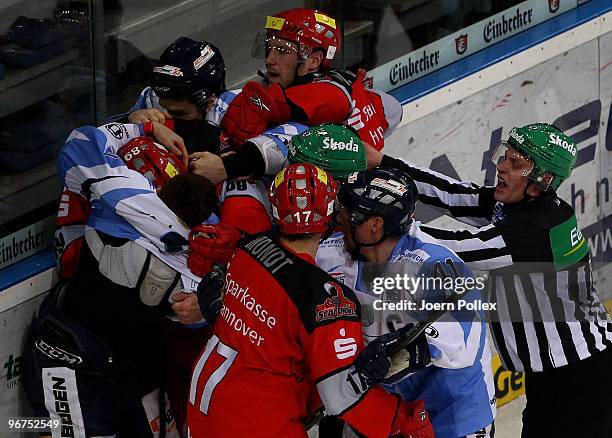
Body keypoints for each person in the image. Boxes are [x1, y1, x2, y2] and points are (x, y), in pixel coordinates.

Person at [366, 123, 612, 437]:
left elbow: (450, 248)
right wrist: (384, 164)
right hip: (558, 370)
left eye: (516, 163)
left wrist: (378, 224)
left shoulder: (538, 229)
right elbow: (453, 194)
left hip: (580, 375)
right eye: (504, 156)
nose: (502, 166)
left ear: (543, 180)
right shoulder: (520, 205)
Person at [186, 163, 434, 438]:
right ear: (330, 213)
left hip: (202, 414)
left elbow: (266, 330)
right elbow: (342, 396)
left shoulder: (247, 250)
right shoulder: (325, 299)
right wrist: (404, 421)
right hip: (257, 425)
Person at [23, 122, 222, 437]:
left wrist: (145, 126)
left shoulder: (125, 189)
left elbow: (81, 140)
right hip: (117, 366)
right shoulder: (204, 244)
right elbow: (197, 317)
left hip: (74, 354)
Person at [316, 167, 496, 438]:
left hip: (453, 418)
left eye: (349, 213)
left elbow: (464, 344)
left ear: (375, 225)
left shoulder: (433, 264)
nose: (339, 218)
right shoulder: (334, 252)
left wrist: (407, 351)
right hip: (392, 415)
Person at [189, 8, 403, 184]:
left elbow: (275, 112)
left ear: (313, 60)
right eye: (268, 48)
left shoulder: (328, 97)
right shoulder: (345, 91)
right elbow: (394, 109)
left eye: (282, 51)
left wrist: (227, 166)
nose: (270, 60)